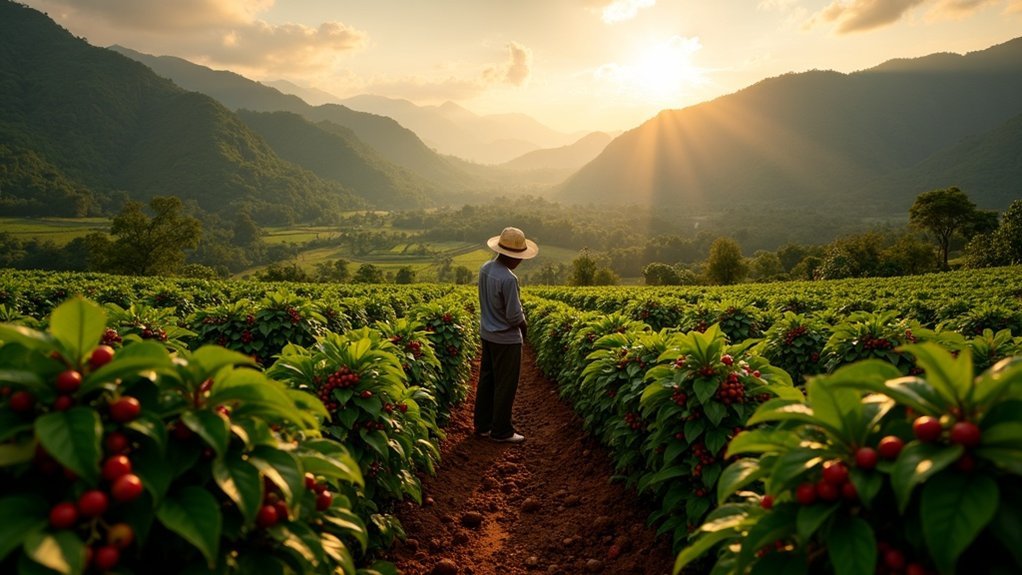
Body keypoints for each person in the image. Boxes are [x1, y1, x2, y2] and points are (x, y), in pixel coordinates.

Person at [474, 226, 538, 443]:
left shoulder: (485, 268)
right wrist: (525, 328)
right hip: (506, 339)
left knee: (487, 380)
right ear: (511, 256)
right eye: (518, 257)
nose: (520, 261)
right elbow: (514, 315)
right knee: (505, 384)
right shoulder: (509, 279)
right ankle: (501, 431)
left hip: (487, 334)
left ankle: (482, 426)